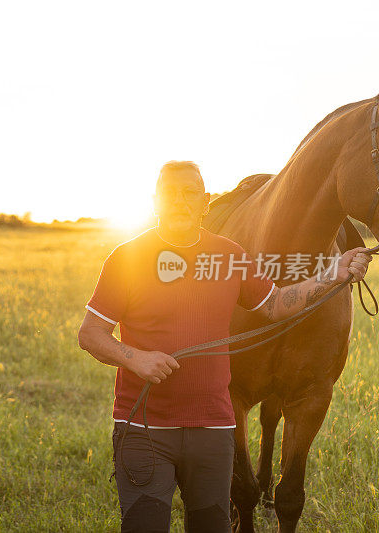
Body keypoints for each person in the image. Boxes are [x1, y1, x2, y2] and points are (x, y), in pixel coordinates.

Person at [77, 161, 371, 532]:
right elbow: (90, 334)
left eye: (189, 193)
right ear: (155, 201)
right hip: (145, 428)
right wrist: (136, 359)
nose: (179, 202)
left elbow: (276, 303)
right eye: (170, 193)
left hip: (212, 431)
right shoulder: (127, 258)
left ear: (206, 201)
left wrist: (335, 274)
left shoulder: (230, 256)